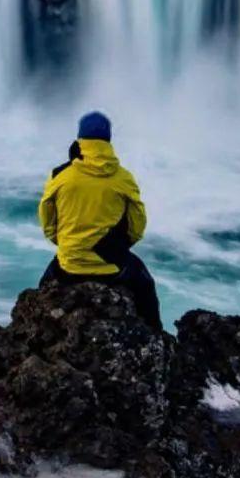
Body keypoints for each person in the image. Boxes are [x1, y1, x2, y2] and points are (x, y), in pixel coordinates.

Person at [38, 111, 162, 330]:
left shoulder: (60, 175)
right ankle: (155, 334)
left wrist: (64, 242)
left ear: (79, 139)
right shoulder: (123, 178)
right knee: (145, 285)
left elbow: (47, 217)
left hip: (69, 267)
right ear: (108, 140)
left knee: (42, 290)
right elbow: (138, 224)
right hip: (112, 270)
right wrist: (121, 246)